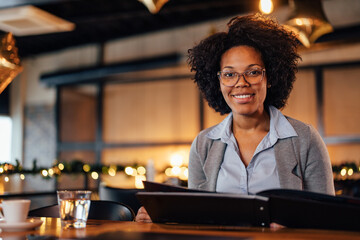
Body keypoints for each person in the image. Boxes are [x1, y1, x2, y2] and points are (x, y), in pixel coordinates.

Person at [135, 13, 335, 223]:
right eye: (229, 74)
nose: (241, 83)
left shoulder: (305, 139)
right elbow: (197, 219)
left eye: (253, 72)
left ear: (270, 77)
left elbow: (328, 217)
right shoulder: (203, 145)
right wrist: (163, 216)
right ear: (218, 81)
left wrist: (292, 227)